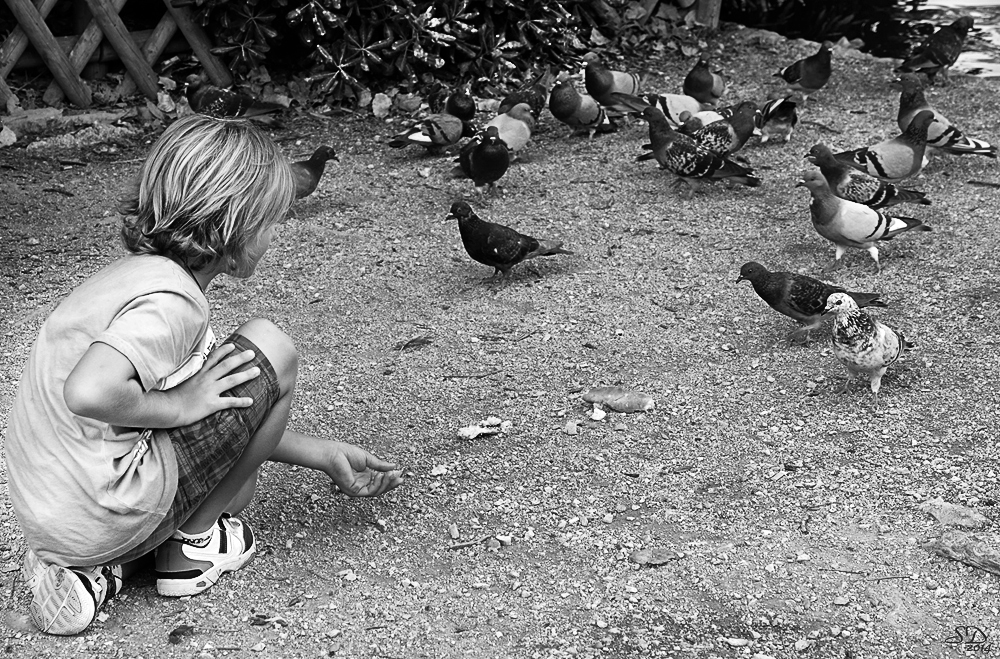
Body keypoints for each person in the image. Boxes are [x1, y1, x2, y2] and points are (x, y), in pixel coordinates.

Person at [3, 115, 405, 636]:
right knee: (272, 350)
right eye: (270, 223)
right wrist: (181, 405)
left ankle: (102, 572)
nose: (273, 238)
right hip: (107, 503)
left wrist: (320, 454)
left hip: (55, 515)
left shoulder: (129, 280)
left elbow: (216, 408)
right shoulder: (174, 301)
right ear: (233, 224)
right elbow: (91, 391)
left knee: (237, 469)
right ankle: (191, 547)